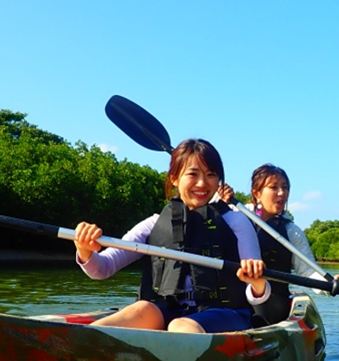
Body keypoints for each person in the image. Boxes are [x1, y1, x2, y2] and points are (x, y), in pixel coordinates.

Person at [73, 138, 270, 333]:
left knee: (180, 325)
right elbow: (102, 268)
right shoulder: (153, 224)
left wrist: (257, 283)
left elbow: (258, 293)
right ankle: (79, 344)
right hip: (167, 311)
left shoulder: (236, 221)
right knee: (143, 309)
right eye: (193, 174)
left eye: (211, 175)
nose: (202, 183)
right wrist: (85, 250)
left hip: (225, 314)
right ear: (174, 178)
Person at [220, 163, 339, 325]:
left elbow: (308, 271)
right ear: (256, 193)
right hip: (234, 302)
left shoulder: (291, 231)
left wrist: (330, 284)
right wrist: (219, 198)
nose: (282, 193)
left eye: (285, 187)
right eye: (274, 187)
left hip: (272, 307)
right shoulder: (234, 215)